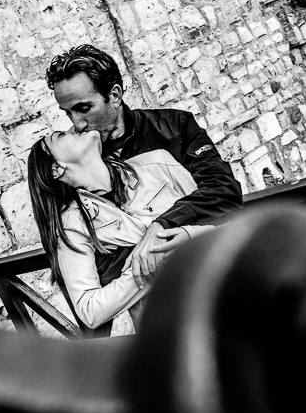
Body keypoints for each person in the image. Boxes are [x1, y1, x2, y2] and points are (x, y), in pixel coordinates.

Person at [45, 45, 243, 289]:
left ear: (115, 95)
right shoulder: (75, 162)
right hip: (149, 296)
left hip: (215, 273)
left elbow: (224, 189)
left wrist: (163, 224)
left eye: (83, 108)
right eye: (68, 113)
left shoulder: (175, 125)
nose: (77, 123)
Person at [27, 127, 216, 330]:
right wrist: (147, 263)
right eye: (61, 135)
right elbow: (90, 310)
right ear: (56, 169)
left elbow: (224, 221)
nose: (74, 127)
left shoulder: (157, 162)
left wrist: (189, 236)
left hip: (225, 289)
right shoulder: (72, 224)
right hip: (172, 327)